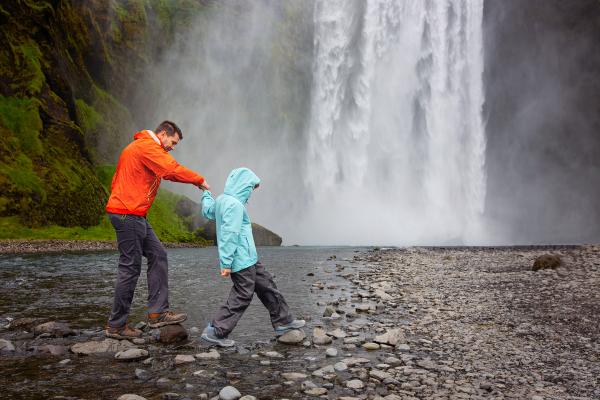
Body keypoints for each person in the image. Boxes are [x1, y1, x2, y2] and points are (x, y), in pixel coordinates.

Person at [104, 121, 210, 339]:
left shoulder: (139, 147)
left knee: (158, 254)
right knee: (130, 268)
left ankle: (157, 313)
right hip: (128, 213)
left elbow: (116, 179)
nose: (172, 147)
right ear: (163, 134)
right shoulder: (147, 147)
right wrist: (198, 180)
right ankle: (116, 326)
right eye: (173, 142)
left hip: (133, 213)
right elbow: (170, 169)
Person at [199, 167, 304, 347]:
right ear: (242, 186)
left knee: (268, 286)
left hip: (250, 258)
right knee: (243, 295)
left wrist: (206, 194)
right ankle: (216, 331)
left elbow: (208, 211)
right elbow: (229, 234)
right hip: (240, 262)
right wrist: (226, 262)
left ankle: (283, 321)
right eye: (250, 189)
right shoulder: (235, 205)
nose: (250, 194)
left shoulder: (223, 200)